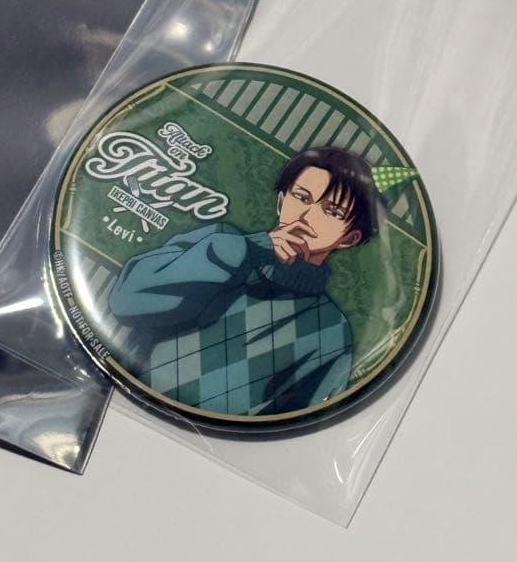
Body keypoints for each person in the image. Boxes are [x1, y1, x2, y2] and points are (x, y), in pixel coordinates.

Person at [108, 146, 382, 416]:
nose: (307, 217)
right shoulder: (219, 242)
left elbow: (298, 418)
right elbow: (125, 301)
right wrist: (248, 250)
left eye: (332, 212)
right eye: (301, 197)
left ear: (349, 238)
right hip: (115, 394)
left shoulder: (332, 329)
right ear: (281, 201)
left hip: (208, 436)